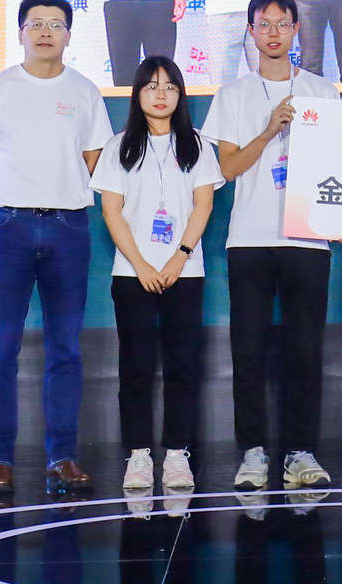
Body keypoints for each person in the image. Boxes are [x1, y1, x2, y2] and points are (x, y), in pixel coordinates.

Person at [0, 0, 113, 498]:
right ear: (21, 32)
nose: (46, 32)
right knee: (1, 348)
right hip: (9, 228)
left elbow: (95, 163)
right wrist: (4, 206)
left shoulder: (84, 92)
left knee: (65, 348)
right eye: (36, 24)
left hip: (68, 228)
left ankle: (62, 456)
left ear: (69, 35)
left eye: (56, 24)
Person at [201, 0, 341, 492]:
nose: (274, 33)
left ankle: (301, 452)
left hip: (308, 238)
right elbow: (227, 169)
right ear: (251, 30)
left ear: (297, 29)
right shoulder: (233, 95)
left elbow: (341, 165)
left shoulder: (324, 92)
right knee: (249, 351)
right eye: (264, 24)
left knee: (305, 350)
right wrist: (268, 130)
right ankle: (253, 453)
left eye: (283, 23)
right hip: (250, 239)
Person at [93, 56, 223, 493]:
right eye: (151, 86)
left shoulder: (198, 145)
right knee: (136, 365)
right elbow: (111, 211)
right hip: (132, 274)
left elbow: (204, 205)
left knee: (182, 364)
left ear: (181, 94)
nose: (161, 94)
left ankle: (177, 454)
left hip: (185, 273)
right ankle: (138, 455)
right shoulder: (119, 146)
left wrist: (178, 257)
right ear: (137, 95)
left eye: (169, 86)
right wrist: (142, 265)